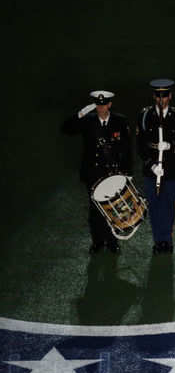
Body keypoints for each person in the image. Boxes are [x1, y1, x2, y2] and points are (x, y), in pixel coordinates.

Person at [62, 91, 132, 254]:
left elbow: (127, 148)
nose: (101, 109)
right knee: (95, 209)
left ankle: (112, 242)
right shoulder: (88, 121)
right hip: (93, 172)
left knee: (114, 207)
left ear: (109, 104)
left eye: (104, 105)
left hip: (113, 172)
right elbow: (66, 129)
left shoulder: (120, 121)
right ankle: (98, 242)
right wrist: (80, 114)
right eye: (98, 105)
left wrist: (127, 171)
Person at [136, 79, 175, 254]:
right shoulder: (145, 115)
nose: (161, 99)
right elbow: (139, 144)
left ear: (170, 96)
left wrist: (170, 146)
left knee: (168, 204)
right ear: (154, 97)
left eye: (164, 96)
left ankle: (167, 239)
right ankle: (158, 240)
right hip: (151, 167)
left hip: (171, 167)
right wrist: (151, 165)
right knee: (154, 204)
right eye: (158, 96)